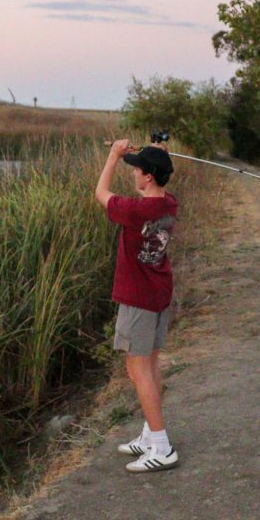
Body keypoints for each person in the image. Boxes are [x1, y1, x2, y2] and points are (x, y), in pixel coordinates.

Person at [95, 138, 179, 472]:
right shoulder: (168, 204)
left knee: (137, 369)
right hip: (158, 293)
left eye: (137, 170)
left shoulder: (136, 211)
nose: (133, 175)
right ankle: (149, 433)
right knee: (151, 365)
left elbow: (101, 193)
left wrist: (113, 156)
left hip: (139, 298)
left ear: (147, 178)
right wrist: (152, 154)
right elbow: (156, 184)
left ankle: (161, 445)